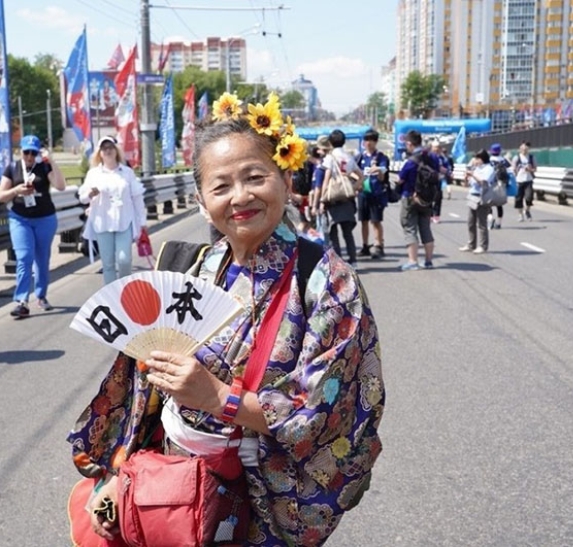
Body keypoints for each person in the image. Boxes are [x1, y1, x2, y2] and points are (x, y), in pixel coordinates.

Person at [67, 92, 385, 545]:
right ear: (200, 199)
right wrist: (121, 477)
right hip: (172, 485)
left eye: (255, 177)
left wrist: (220, 398)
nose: (241, 197)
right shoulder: (191, 268)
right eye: (220, 186)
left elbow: (324, 412)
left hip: (261, 495)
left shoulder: (327, 283)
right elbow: (146, 396)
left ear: (285, 176)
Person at [0, 135, 65, 318]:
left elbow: (60, 186)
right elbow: (0, 196)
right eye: (26, 152)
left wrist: (52, 160)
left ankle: (41, 296)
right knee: (24, 257)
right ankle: (21, 301)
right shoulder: (12, 168)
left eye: (33, 153)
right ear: (20, 151)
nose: (29, 156)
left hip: (45, 218)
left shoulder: (44, 166)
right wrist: (16, 191)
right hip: (20, 218)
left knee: (42, 259)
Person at [77, 135, 146, 285]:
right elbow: (82, 197)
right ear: (99, 153)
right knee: (108, 264)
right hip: (103, 223)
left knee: (124, 259)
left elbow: (137, 197)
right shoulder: (94, 174)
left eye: (110, 147)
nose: (108, 151)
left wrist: (142, 222)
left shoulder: (126, 172)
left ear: (116, 150)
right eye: (104, 148)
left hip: (124, 221)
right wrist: (90, 194)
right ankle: (111, 297)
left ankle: (125, 289)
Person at [320, 129, 364, 267]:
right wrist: (354, 187)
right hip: (346, 198)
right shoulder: (349, 157)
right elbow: (361, 175)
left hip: (333, 199)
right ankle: (353, 260)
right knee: (347, 233)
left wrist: (322, 199)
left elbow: (326, 179)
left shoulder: (330, 157)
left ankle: (338, 262)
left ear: (331, 142)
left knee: (333, 233)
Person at [396, 129, 438, 270]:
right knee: (425, 228)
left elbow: (401, 179)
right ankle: (428, 261)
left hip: (410, 197)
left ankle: (413, 261)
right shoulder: (432, 157)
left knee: (410, 228)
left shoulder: (411, 161)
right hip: (427, 198)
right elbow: (438, 173)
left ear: (410, 143)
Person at [356, 129, 390, 259]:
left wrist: (378, 170)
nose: (368, 143)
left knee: (376, 221)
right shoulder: (360, 157)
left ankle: (379, 245)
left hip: (376, 194)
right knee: (363, 221)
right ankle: (365, 245)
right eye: (366, 140)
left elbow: (382, 176)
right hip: (363, 193)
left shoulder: (381, 157)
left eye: (372, 140)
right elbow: (353, 171)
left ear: (376, 142)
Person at [459, 149, 494, 254]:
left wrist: (473, 174)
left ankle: (483, 246)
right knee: (470, 222)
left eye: (477, 158)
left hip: (482, 197)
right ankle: (471, 244)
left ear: (482, 159)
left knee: (481, 223)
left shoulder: (489, 169)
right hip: (472, 196)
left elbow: (483, 182)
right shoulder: (477, 168)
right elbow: (469, 184)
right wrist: (466, 177)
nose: (475, 161)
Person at [511, 141, 536, 221]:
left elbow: (535, 169)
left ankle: (527, 210)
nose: (524, 150)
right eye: (522, 149)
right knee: (518, 199)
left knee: (529, 197)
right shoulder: (516, 158)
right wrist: (516, 170)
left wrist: (530, 169)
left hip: (528, 180)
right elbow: (513, 169)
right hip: (519, 180)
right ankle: (520, 214)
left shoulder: (531, 157)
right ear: (520, 149)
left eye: (526, 149)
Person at [487, 143, 509, 229]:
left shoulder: (489, 161)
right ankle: (499, 223)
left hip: (491, 184)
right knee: (499, 204)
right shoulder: (503, 160)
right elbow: (510, 170)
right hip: (501, 184)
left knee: (489, 203)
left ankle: (490, 218)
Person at [430, 140, 450, 223]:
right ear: (432, 148)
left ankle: (436, 215)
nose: (436, 149)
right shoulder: (428, 156)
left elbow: (447, 167)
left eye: (438, 147)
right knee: (429, 198)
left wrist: (446, 171)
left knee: (438, 198)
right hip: (429, 180)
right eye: (435, 147)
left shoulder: (442, 158)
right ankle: (429, 215)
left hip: (438, 180)